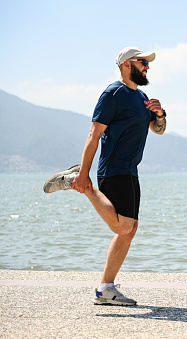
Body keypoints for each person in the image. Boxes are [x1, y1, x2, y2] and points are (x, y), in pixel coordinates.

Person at [43, 47, 167, 306]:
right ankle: (79, 180)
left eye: (147, 63)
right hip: (113, 169)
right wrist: (86, 174)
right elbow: (93, 134)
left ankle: (105, 289)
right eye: (143, 62)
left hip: (131, 170)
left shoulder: (141, 96)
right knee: (122, 226)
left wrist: (160, 114)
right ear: (126, 65)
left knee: (129, 230)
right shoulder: (113, 94)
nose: (147, 66)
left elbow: (159, 131)